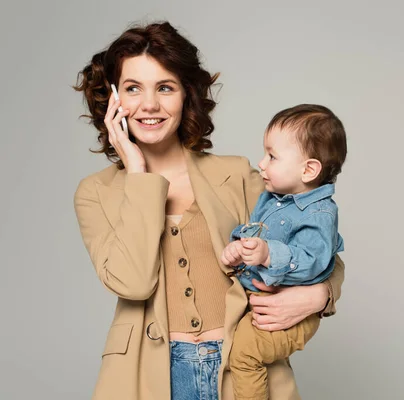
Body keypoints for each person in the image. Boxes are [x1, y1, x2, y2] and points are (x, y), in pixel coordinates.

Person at [73, 21, 345, 400]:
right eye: (134, 88)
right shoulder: (96, 193)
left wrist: (321, 296)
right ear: (113, 98)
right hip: (149, 375)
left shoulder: (236, 175)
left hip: (242, 366)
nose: (149, 105)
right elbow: (133, 283)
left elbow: (317, 243)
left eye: (165, 87)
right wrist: (137, 173)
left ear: (186, 95)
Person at [221, 104, 347, 399]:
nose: (262, 164)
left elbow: (314, 261)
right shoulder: (275, 197)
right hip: (261, 299)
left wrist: (267, 255)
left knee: (244, 355)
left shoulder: (319, 214)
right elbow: (256, 230)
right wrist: (239, 245)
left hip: (292, 312)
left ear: (309, 169)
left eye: (272, 156)